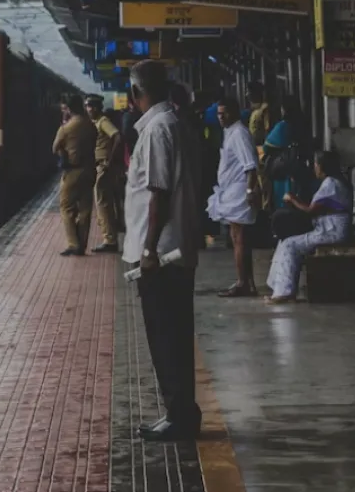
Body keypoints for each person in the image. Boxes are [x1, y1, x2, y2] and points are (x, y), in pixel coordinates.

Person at [123, 60, 201, 442]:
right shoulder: (174, 122)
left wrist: (149, 248)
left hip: (163, 254)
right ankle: (183, 411)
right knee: (176, 332)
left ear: (137, 93)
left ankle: (179, 416)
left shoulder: (157, 129)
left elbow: (159, 193)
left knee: (165, 335)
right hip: (176, 248)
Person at [265, 150, 352, 303]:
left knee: (290, 245)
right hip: (328, 228)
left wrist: (293, 199)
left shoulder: (331, 184)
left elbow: (311, 210)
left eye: (316, 165)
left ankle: (284, 292)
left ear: (323, 167)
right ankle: (277, 287)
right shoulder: (335, 182)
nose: (314, 168)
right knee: (284, 240)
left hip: (332, 231)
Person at [209, 98, 261, 297]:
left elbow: (250, 166)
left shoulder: (239, 133)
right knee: (240, 239)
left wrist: (249, 191)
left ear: (235, 112)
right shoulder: (229, 132)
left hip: (240, 192)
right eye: (219, 114)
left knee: (238, 239)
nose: (221, 117)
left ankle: (243, 283)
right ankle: (248, 282)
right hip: (231, 191)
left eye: (225, 113)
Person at [52, 93, 97, 256]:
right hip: (90, 170)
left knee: (66, 207)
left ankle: (73, 243)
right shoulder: (90, 125)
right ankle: (82, 245)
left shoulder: (66, 128)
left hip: (72, 171)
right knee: (85, 208)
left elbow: (54, 147)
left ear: (69, 108)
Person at [85, 95, 123, 253]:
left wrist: (110, 161)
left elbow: (117, 136)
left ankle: (110, 240)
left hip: (103, 166)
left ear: (96, 108)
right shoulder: (95, 123)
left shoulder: (103, 122)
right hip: (100, 166)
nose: (88, 109)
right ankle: (109, 237)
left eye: (90, 106)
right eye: (86, 106)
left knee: (102, 203)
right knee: (103, 202)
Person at [247, 82, 273, 147]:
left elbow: (267, 129)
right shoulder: (254, 109)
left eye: (249, 92)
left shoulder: (265, 108)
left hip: (261, 146)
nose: (247, 94)